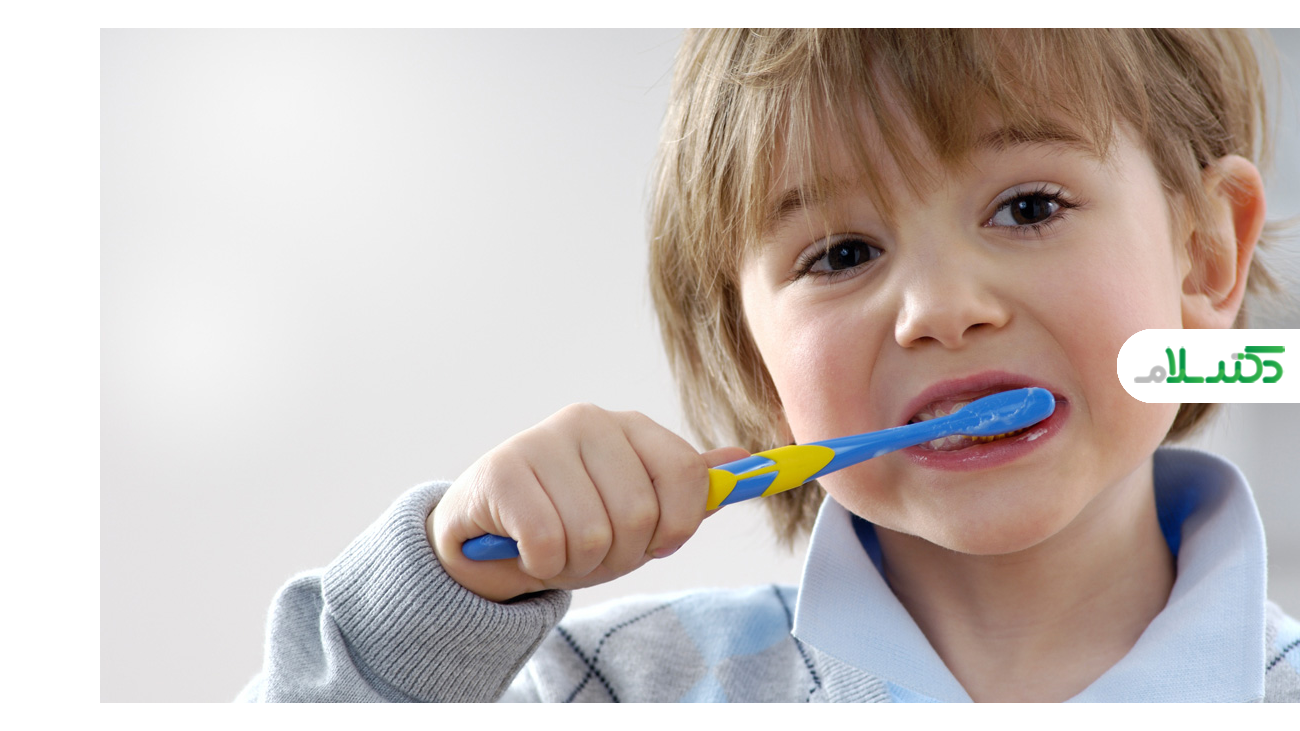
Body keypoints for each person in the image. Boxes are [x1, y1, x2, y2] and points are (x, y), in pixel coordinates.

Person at [238, 29, 1300, 702]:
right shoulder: (611, 688)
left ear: (1205, 256)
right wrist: (441, 600)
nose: (939, 310)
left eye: (1028, 207)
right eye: (841, 255)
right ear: (756, 363)